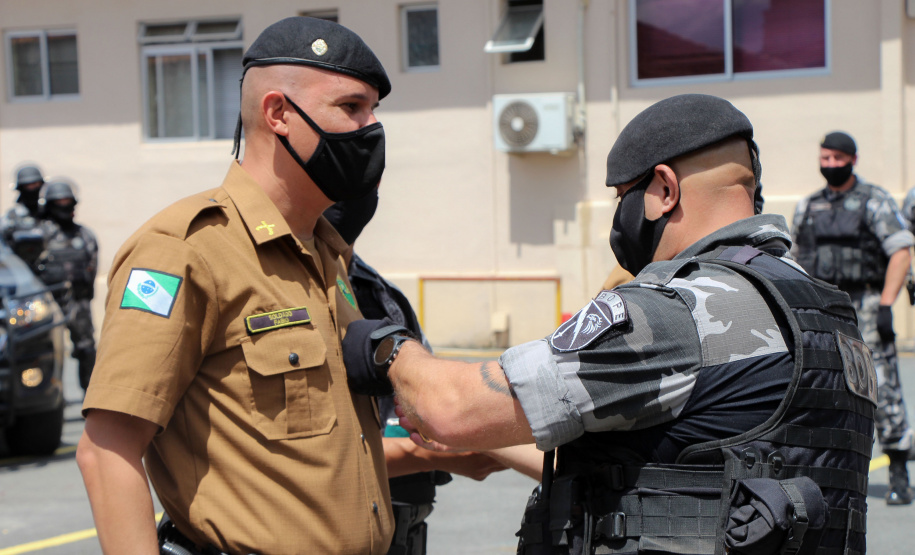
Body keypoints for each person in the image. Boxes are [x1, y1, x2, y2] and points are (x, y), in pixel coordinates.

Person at [343, 94, 876, 554]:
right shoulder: (826, 312)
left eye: (624, 197)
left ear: (664, 190)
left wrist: (389, 348)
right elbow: (690, 459)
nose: (619, 218)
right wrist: (485, 446)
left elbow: (452, 408)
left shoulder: (672, 312)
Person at [77, 17, 396, 555]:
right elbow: (107, 450)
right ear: (279, 115)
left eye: (372, 112)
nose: (370, 129)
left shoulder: (325, 253)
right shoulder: (184, 250)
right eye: (350, 107)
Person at [323, 194, 509, 555]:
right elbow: (315, 452)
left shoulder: (382, 295)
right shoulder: (289, 295)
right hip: (334, 531)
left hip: (403, 530)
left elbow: (420, 413)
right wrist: (435, 455)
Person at [792, 131, 915, 506]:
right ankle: (829, 473)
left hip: (864, 301)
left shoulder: (873, 201)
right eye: (825, 158)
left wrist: (884, 306)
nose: (830, 165)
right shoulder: (808, 206)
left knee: (883, 387)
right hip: (824, 305)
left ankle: (898, 469)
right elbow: (797, 256)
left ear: (853, 159)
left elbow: (901, 252)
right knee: (824, 388)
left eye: (837, 158)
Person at [32, 181, 99, 391]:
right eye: (59, 202)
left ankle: (90, 398)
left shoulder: (84, 235)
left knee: (87, 349)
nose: (64, 206)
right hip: (47, 304)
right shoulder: (39, 235)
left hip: (78, 303)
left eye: (67, 201)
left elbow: (92, 266)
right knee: (42, 351)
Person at [2, 164, 47, 265]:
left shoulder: (52, 217)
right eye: (28, 186)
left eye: (36, 185)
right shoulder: (10, 219)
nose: (32, 189)